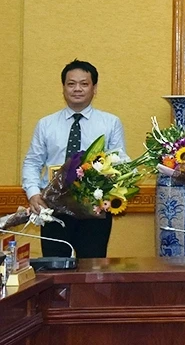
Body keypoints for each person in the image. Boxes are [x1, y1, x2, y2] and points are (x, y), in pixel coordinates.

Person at [22, 60, 126, 258]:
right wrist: (34, 194)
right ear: (63, 88)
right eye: (71, 84)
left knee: (93, 270)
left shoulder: (111, 123)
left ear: (94, 88)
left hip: (94, 211)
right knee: (54, 269)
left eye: (84, 84)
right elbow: (32, 163)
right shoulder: (46, 124)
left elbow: (119, 162)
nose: (77, 89)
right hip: (53, 210)